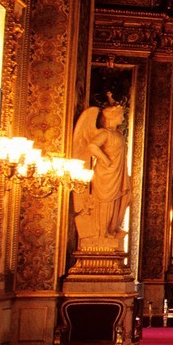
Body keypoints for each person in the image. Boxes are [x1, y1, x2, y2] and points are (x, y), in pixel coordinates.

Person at [72, 102, 132, 250]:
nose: (123, 120)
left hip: (117, 173)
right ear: (113, 117)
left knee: (120, 200)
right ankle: (101, 234)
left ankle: (111, 230)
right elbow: (92, 146)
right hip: (106, 174)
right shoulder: (104, 133)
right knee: (105, 203)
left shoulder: (117, 134)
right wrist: (106, 160)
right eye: (121, 117)